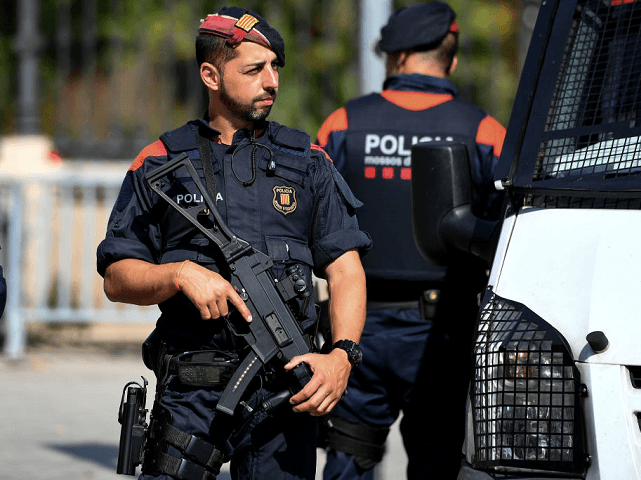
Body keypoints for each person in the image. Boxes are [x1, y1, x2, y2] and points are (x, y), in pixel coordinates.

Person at [96, 6, 371, 480]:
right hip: (192, 394)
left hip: (288, 389)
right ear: (211, 75)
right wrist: (178, 274)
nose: (271, 81)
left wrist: (342, 356)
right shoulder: (160, 161)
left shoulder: (308, 162)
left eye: (275, 68)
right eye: (253, 70)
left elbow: (345, 269)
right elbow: (118, 279)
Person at [316, 2, 506, 479]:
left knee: (348, 460)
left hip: (356, 327)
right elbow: (511, 227)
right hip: (443, 331)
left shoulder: (342, 124)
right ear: (452, 59)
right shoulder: (484, 131)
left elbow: (305, 219)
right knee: (438, 463)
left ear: (396, 58)